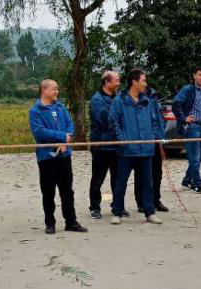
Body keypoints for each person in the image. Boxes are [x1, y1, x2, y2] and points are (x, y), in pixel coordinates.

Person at [29, 80, 88, 235]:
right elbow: (40, 133)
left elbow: (70, 125)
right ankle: (50, 223)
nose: (57, 92)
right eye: (54, 89)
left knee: (67, 190)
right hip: (46, 157)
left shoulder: (61, 107)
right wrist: (62, 137)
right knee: (48, 191)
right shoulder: (35, 111)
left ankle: (71, 222)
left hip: (64, 154)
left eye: (57, 89)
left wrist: (66, 141)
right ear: (44, 90)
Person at [108, 69, 163, 225]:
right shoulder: (119, 101)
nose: (146, 84)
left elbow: (154, 121)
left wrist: (152, 137)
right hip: (127, 150)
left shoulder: (147, 101)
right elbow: (113, 121)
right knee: (120, 183)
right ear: (134, 82)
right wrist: (121, 139)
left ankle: (149, 212)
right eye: (143, 80)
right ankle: (117, 212)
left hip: (146, 149)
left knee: (147, 183)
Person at [173, 67, 201, 194]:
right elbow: (176, 103)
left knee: (199, 157)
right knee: (194, 158)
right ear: (194, 76)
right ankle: (197, 184)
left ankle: (187, 180)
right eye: (200, 75)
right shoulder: (188, 89)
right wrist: (184, 118)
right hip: (192, 127)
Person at [88, 71, 120, 219]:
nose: (119, 83)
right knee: (98, 178)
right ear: (107, 82)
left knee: (117, 178)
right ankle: (95, 207)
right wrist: (120, 122)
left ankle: (117, 206)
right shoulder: (97, 99)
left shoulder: (118, 97)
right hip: (101, 145)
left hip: (116, 145)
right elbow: (105, 119)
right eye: (116, 80)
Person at [143, 84, 169, 213]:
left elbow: (159, 118)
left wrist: (161, 136)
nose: (145, 83)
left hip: (157, 139)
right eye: (142, 80)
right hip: (144, 140)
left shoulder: (153, 95)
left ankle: (156, 199)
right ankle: (142, 202)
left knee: (157, 173)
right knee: (143, 173)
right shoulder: (133, 97)